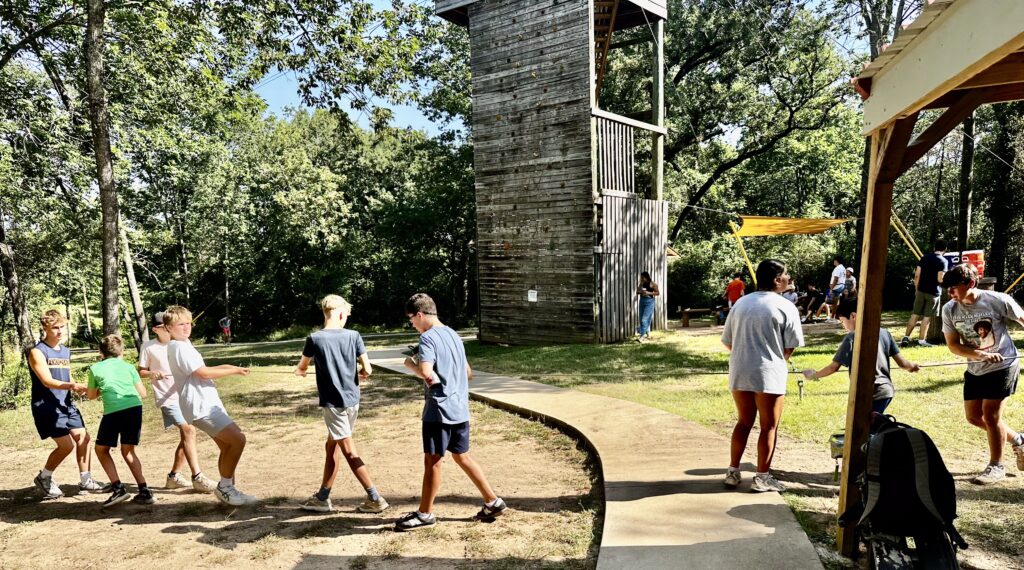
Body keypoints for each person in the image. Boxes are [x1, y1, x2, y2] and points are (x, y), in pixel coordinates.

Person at [398, 293, 506, 530]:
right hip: (460, 408)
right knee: (462, 456)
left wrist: (410, 365)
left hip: (439, 410)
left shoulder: (427, 338)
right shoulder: (453, 334)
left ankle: (425, 514)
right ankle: (493, 501)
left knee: (433, 461)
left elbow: (427, 373)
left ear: (420, 314)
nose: (412, 324)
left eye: (411, 319)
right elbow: (468, 373)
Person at [294, 295, 389, 513]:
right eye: (346, 315)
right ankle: (322, 496)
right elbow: (368, 368)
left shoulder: (314, 338)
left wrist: (300, 371)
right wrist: (363, 372)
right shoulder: (354, 336)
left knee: (348, 450)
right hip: (352, 401)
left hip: (333, 404)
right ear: (340, 314)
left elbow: (302, 366)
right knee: (332, 446)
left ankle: (375, 498)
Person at [721, 259, 804, 493]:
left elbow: (727, 341)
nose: (789, 278)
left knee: (743, 422)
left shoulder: (740, 304)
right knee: (769, 426)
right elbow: (789, 347)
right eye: (786, 275)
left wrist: (746, 354)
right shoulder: (786, 306)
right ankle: (762, 477)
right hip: (769, 372)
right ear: (777, 279)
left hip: (740, 370)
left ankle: (732, 471)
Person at [165, 305, 257, 505]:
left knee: (227, 445)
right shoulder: (179, 347)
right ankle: (225, 488)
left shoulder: (184, 345)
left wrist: (232, 367)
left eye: (188, 323)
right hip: (201, 406)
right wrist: (232, 371)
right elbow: (204, 373)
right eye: (180, 324)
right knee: (238, 440)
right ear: (169, 328)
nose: (186, 327)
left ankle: (228, 489)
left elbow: (202, 368)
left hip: (204, 404)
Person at [941, 263, 1024, 485]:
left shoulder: (997, 300)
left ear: (970, 283)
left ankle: (996, 466)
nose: (950, 293)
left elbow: (1022, 319)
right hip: (976, 368)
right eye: (947, 289)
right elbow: (953, 345)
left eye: (953, 288)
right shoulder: (949, 309)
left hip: (1003, 365)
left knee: (991, 416)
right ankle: (1019, 440)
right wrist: (980, 355)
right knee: (973, 417)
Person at [28, 310, 105, 499]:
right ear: (45, 327)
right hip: (47, 406)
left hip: (66, 404)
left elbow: (67, 377)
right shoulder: (37, 352)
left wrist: (84, 388)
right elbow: (47, 381)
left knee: (83, 438)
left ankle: (86, 480)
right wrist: (72, 386)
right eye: (55, 327)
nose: (60, 331)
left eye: (63, 327)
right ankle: (44, 477)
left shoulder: (65, 351)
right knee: (66, 446)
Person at [138, 312, 217, 493]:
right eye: (164, 326)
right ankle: (198, 477)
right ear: (156, 329)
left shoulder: (182, 343)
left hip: (185, 395)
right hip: (167, 398)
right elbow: (141, 371)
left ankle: (174, 476)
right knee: (189, 430)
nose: (168, 329)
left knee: (187, 435)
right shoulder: (148, 346)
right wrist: (152, 373)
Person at [802, 298, 920, 416]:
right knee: (872, 424)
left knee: (864, 425)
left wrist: (814, 375)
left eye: (842, 321)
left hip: (870, 394)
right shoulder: (885, 333)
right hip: (886, 391)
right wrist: (913, 366)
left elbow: (834, 367)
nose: (843, 326)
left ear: (853, 316)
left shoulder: (852, 337)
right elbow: (903, 364)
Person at [87, 334, 153, 507]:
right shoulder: (129, 366)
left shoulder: (95, 368)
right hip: (134, 408)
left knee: (101, 449)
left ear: (101, 352)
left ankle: (118, 489)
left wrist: (101, 389)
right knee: (128, 451)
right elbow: (143, 393)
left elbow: (91, 396)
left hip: (114, 411)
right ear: (121, 351)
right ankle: (144, 490)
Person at [902, 239, 949, 347]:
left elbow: (917, 275)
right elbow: (940, 279)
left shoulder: (924, 258)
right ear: (945, 249)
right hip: (933, 293)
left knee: (915, 314)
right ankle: (921, 341)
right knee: (927, 317)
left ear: (934, 248)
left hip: (921, 290)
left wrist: (916, 288)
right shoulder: (943, 261)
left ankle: (906, 337)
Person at [816, 256, 847, 323]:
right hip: (841, 286)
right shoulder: (843, 268)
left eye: (834, 261)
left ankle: (829, 317)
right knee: (835, 303)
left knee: (826, 301)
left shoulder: (838, 268)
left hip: (835, 287)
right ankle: (833, 317)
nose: (833, 262)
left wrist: (831, 289)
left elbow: (836, 279)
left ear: (836, 261)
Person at [636, 271, 660, 342]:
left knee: (644, 319)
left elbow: (658, 293)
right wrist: (641, 292)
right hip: (642, 301)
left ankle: (642, 336)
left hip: (649, 302)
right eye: (641, 277)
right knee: (641, 318)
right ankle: (648, 333)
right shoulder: (641, 283)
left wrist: (648, 293)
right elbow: (637, 291)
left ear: (646, 277)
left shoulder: (653, 284)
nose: (641, 279)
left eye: (642, 277)